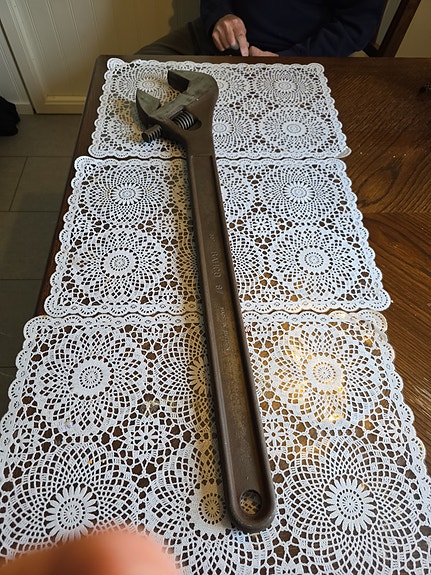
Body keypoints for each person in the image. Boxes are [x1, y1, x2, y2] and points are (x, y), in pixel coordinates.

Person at [136, 0, 386, 58]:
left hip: (301, 58)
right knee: (130, 76)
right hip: (215, 38)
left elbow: (355, 26)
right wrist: (220, 15)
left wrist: (291, 59)